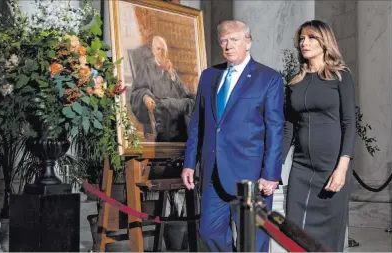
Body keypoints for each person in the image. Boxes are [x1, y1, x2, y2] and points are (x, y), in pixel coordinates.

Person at [182, 20, 284, 252]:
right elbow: (198, 123)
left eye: (235, 39)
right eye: (224, 41)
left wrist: (271, 174)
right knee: (209, 232)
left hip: (250, 176)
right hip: (212, 173)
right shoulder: (209, 76)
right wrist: (189, 163)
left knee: (252, 240)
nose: (228, 45)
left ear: (248, 42)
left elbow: (275, 129)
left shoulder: (268, 78)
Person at [282, 20, 356, 252]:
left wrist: (342, 167)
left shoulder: (340, 76)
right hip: (301, 167)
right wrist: (275, 164)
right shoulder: (295, 82)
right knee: (293, 229)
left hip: (332, 165)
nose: (304, 42)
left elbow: (349, 123)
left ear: (324, 41)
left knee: (328, 235)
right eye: (302, 38)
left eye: (311, 37)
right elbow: (289, 127)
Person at [130, 36, 195, 142]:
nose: (161, 52)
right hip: (158, 104)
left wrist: (172, 74)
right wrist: (145, 96)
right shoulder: (146, 67)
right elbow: (139, 89)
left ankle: (192, 143)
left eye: (164, 49)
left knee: (191, 102)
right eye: (158, 49)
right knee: (188, 104)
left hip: (174, 104)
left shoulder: (169, 67)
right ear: (153, 50)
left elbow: (184, 92)